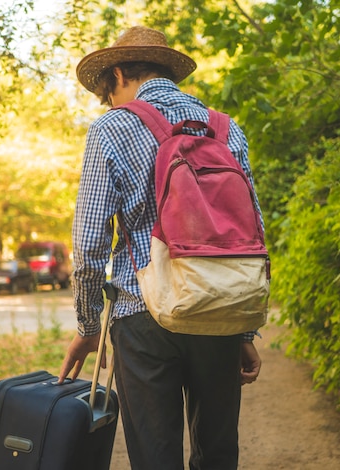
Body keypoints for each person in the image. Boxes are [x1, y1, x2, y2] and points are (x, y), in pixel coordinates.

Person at [58, 26, 263, 470]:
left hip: (142, 314)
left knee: (155, 457)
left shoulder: (111, 128)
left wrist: (88, 324)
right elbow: (252, 232)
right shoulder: (228, 129)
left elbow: (90, 241)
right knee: (218, 453)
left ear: (117, 74)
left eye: (106, 93)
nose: (109, 103)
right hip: (219, 309)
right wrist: (243, 330)